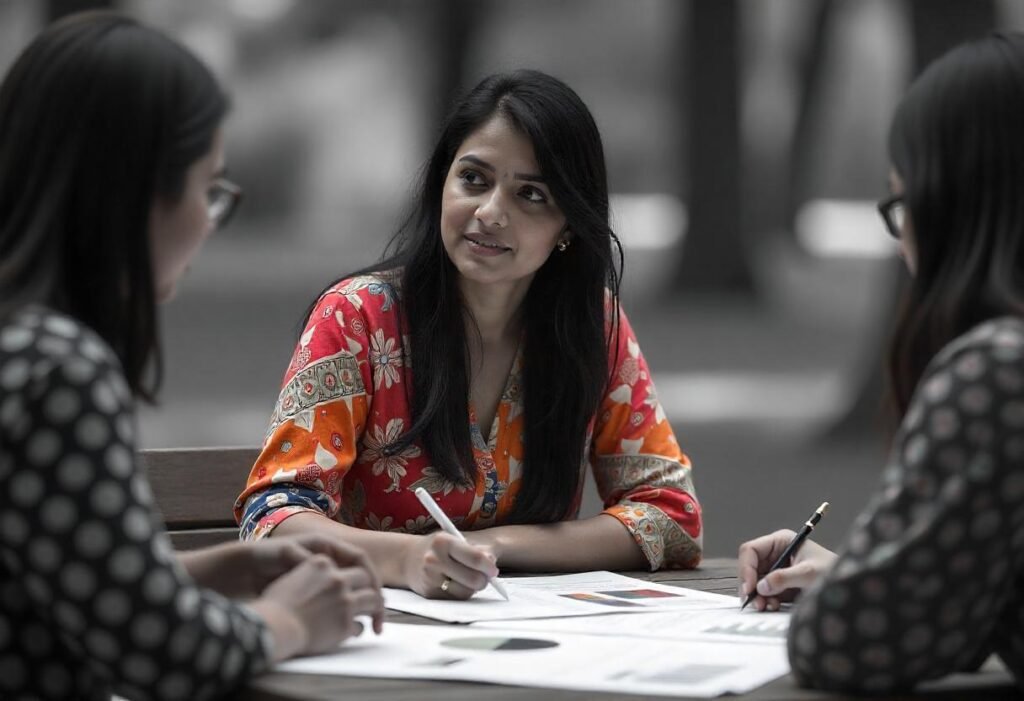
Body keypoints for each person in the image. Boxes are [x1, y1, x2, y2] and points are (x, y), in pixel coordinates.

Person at [0, 11, 384, 701]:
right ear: (140, 190)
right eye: (208, 188)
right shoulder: (57, 368)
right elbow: (161, 656)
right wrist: (290, 619)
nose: (209, 220)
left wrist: (205, 572)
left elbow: (56, 587)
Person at [235, 69, 703, 600]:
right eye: (474, 180)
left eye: (531, 194)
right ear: (442, 183)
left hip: (540, 640)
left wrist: (499, 545)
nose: (490, 213)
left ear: (569, 224)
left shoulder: (594, 327)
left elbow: (671, 514)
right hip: (375, 628)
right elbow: (273, 515)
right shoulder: (357, 319)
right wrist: (407, 559)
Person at [738, 33, 1024, 693]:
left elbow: (838, 645)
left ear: (953, 203)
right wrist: (869, 574)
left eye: (901, 206)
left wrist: (857, 587)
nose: (903, 245)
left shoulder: (995, 373)